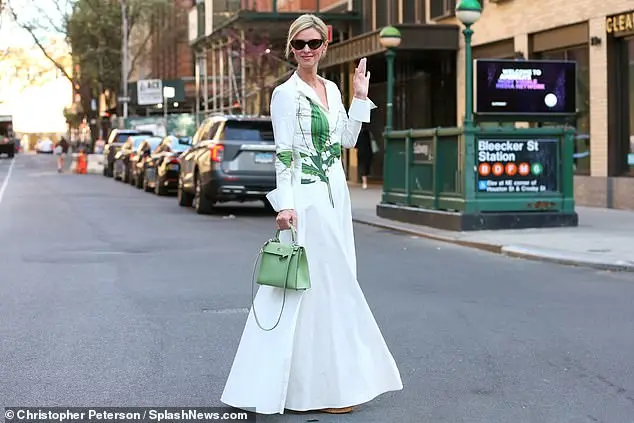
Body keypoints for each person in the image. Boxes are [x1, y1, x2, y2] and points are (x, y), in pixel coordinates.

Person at [221, 13, 403, 415]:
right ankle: (307, 391)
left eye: (313, 44)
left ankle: (327, 386)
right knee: (311, 289)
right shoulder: (285, 94)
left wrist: (359, 97)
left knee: (335, 287)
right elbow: (284, 153)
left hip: (335, 197)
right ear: (291, 48)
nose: (306, 50)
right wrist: (285, 204)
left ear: (324, 46)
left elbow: (348, 140)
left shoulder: (332, 89)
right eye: (299, 44)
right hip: (306, 201)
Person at [357, 125, 375, 189]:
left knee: (362, 166)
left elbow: (356, 144)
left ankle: (364, 182)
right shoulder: (369, 134)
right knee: (366, 166)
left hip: (361, 152)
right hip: (369, 152)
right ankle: (365, 180)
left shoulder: (359, 135)